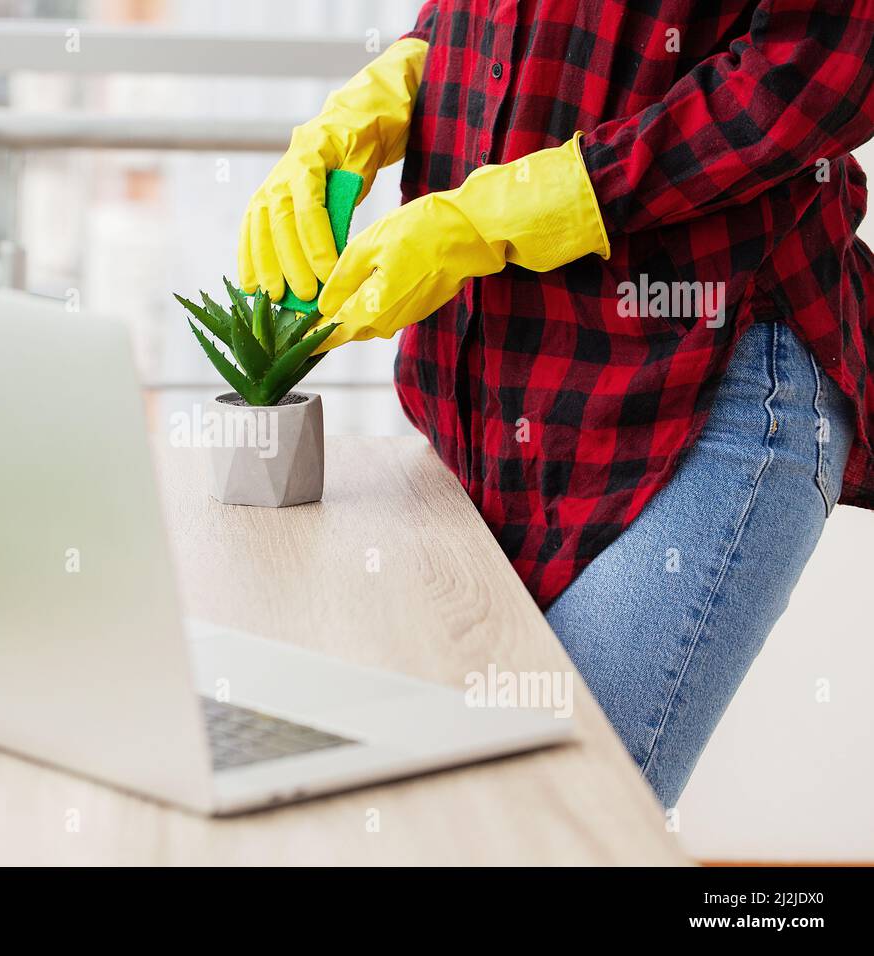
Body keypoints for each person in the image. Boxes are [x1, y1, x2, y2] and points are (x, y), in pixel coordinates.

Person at [239, 0, 874, 807]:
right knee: (445, 820)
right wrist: (386, 89)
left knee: (554, 826)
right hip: (486, 394)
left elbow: (816, 65)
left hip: (696, 381)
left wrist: (529, 206)